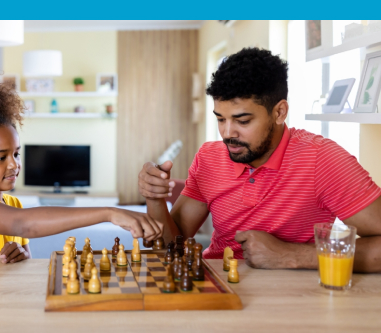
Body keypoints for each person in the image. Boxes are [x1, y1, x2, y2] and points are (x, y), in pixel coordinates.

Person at [138, 48, 381, 273]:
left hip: (296, 300)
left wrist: (292, 255)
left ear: (279, 112)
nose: (227, 133)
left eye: (242, 121)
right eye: (220, 119)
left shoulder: (323, 159)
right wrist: (154, 198)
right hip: (219, 287)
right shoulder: (209, 157)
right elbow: (170, 247)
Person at [0, 73, 163, 263]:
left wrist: (22, 255)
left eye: (16, 153)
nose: (14, 164)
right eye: (1, 157)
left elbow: (26, 253)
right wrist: (109, 212)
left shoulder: (13, 204)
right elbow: (22, 224)